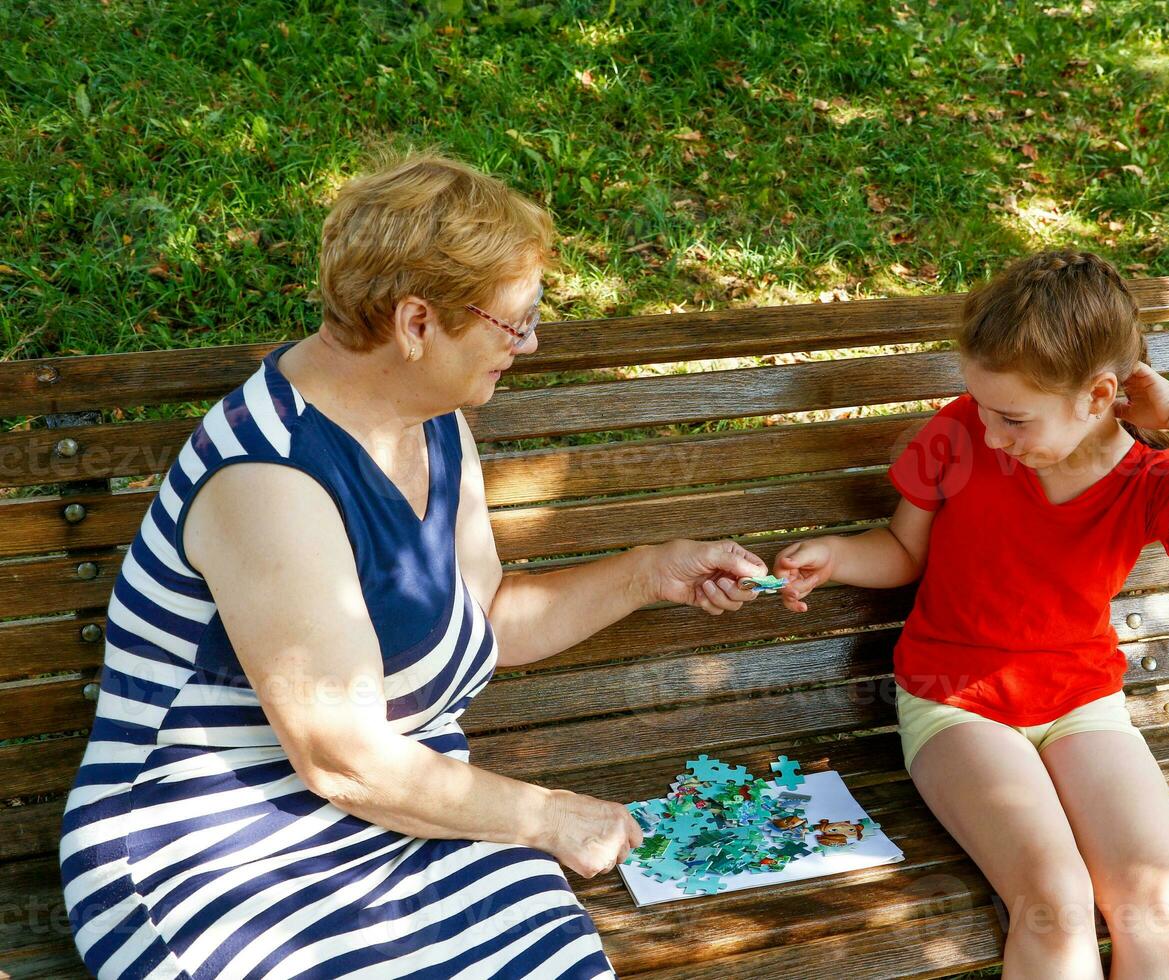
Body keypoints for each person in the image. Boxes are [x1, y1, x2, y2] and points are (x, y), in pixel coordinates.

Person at [57, 151, 768, 979]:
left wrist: (651, 573)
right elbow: (343, 758)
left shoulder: (425, 416)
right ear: (418, 323)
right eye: (516, 322)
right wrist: (543, 816)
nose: (531, 344)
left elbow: (483, 618)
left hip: (406, 810)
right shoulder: (268, 479)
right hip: (216, 847)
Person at [771, 249, 1169, 978]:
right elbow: (901, 550)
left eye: (1013, 418)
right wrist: (835, 557)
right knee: (1055, 903)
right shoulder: (958, 433)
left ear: (1099, 394)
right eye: (981, 407)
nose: (990, 434)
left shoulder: (1148, 480)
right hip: (958, 703)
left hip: (1082, 704)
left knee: (1160, 903)